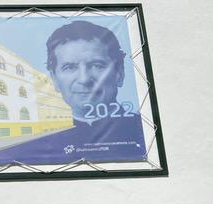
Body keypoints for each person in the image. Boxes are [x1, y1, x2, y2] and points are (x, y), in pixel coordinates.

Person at [43, 20, 146, 162]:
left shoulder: (144, 131)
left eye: (97, 65)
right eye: (70, 67)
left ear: (119, 73)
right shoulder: (36, 142)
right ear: (54, 79)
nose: (84, 79)